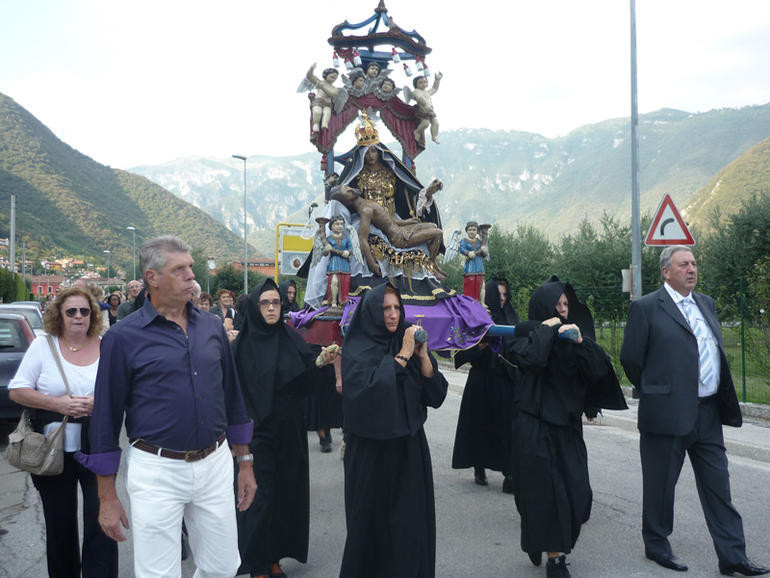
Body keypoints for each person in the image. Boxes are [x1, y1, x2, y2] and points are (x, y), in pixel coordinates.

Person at [76, 236, 256, 577]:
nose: (191, 275)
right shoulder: (122, 338)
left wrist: (244, 461)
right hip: (156, 470)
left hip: (215, 463)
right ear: (152, 278)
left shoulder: (212, 327)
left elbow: (233, 398)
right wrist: (107, 497)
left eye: (190, 267)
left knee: (223, 567)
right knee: (159, 573)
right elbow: (105, 420)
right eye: (179, 269)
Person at [620, 246, 769, 577]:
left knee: (719, 487)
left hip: (708, 413)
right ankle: (657, 545)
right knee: (660, 486)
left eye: (694, 263)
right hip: (667, 413)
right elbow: (631, 359)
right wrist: (659, 389)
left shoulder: (706, 303)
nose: (691, 269)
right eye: (683, 264)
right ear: (666, 271)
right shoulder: (646, 308)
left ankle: (733, 556)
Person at [506, 276, 626, 577]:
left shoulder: (575, 338)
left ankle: (539, 536)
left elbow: (600, 371)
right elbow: (530, 358)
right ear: (544, 307)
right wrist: (546, 330)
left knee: (578, 495)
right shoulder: (526, 335)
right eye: (557, 305)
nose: (562, 310)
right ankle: (555, 559)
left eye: (565, 305)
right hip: (535, 427)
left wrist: (580, 343)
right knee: (548, 496)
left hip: (568, 429)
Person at [339, 283, 448, 578]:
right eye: (385, 308)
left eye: (397, 308)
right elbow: (368, 393)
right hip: (370, 455)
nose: (393, 315)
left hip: (409, 451)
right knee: (370, 532)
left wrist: (423, 356)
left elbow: (435, 397)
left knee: (410, 532)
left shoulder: (408, 340)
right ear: (372, 311)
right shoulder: (358, 348)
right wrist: (402, 355)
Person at [8, 286, 119, 577]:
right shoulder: (43, 346)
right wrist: (57, 404)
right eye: (71, 311)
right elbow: (17, 391)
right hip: (51, 451)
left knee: (102, 522)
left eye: (85, 311)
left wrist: (102, 402)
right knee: (59, 524)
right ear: (59, 315)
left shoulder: (107, 345)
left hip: (98, 448)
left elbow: (124, 391)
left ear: (93, 315)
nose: (79, 316)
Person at [232, 279, 338, 578]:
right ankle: (256, 562)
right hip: (256, 435)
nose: (270, 308)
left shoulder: (291, 339)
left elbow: (307, 384)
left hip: (289, 432)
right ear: (255, 307)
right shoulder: (240, 348)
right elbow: (233, 394)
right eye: (264, 303)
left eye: (275, 303)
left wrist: (319, 364)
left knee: (284, 496)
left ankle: (275, 556)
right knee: (259, 498)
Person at [452, 278, 519, 491]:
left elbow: (518, 347)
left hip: (504, 382)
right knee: (480, 426)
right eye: (498, 295)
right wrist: (481, 346)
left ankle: (510, 473)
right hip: (481, 382)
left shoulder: (511, 317)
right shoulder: (477, 320)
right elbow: (461, 352)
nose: (502, 299)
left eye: (505, 295)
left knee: (507, 429)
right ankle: (479, 465)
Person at [330, 184, 447, 279]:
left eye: (347, 187)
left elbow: (389, 220)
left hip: (402, 229)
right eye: (347, 191)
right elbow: (362, 240)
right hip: (400, 238)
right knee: (438, 233)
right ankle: (431, 266)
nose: (351, 189)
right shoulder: (365, 210)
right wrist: (372, 264)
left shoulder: (366, 202)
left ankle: (433, 264)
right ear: (346, 201)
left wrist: (407, 222)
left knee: (433, 225)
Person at [324, 215, 353, 310]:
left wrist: (348, 252)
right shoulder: (328, 239)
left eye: (341, 224)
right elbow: (324, 254)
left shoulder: (347, 238)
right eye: (337, 224)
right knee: (334, 281)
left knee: (344, 283)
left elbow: (351, 249)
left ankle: (342, 302)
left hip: (344, 263)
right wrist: (326, 250)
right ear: (331, 226)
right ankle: (333, 302)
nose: (340, 226)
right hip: (334, 263)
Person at [405, 73, 443, 144]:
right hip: (422, 111)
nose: (423, 84)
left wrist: (437, 80)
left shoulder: (427, 92)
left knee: (436, 123)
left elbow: (434, 88)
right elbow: (419, 98)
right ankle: (417, 132)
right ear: (416, 84)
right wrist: (426, 105)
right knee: (425, 123)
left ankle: (434, 136)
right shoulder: (416, 91)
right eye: (421, 82)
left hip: (430, 111)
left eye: (425, 82)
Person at [459, 221, 487, 302]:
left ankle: (481, 302)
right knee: (470, 283)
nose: (472, 232)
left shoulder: (480, 242)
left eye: (474, 230)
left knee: (481, 284)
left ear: (477, 231)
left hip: (479, 266)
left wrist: (484, 251)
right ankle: (469, 301)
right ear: (467, 231)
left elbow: (484, 255)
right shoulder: (464, 241)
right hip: (470, 267)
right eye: (470, 230)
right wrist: (468, 253)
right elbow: (461, 249)